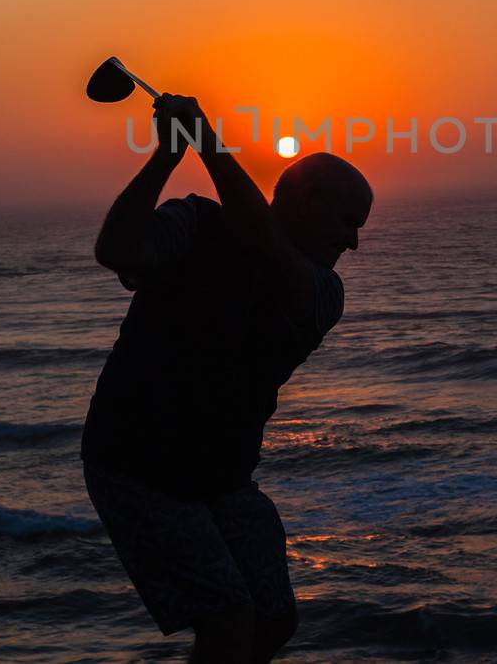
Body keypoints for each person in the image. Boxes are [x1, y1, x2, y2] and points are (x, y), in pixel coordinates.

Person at [83, 92, 372, 663]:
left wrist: (205, 141)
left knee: (273, 617)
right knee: (228, 619)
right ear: (307, 201)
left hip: (219, 479)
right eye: (348, 221)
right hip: (135, 465)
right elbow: (118, 248)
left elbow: (265, 246)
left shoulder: (321, 291)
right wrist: (168, 154)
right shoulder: (194, 222)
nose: (355, 241)